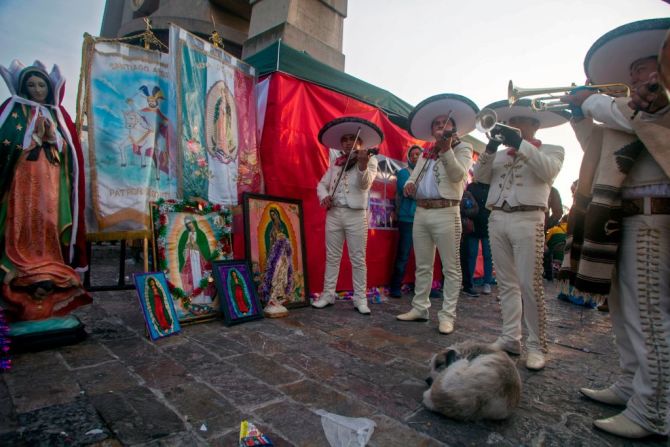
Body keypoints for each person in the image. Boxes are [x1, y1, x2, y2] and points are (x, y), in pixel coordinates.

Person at [561, 18, 670, 439]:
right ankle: (631, 384)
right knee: (624, 312)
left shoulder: (657, 102)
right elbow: (599, 151)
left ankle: (654, 410)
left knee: (650, 316)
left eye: (643, 67)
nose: (635, 78)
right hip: (627, 216)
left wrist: (590, 100)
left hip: (652, 217)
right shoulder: (632, 111)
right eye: (633, 72)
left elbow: (628, 116)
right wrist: (579, 113)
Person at [473, 98, 568, 370]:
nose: (512, 125)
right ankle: (510, 337)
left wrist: (519, 143)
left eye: (518, 121)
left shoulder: (553, 149)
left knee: (530, 284)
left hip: (529, 217)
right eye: (510, 121)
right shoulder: (500, 154)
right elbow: (480, 177)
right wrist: (491, 147)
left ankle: (537, 346)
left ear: (535, 124)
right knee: (506, 283)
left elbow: (548, 171)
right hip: (498, 216)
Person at [0, 61, 89, 321]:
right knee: (22, 220)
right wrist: (31, 140)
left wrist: (52, 137)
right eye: (32, 85)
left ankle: (50, 260)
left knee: (47, 221)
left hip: (52, 182)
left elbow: (70, 152)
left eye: (41, 85)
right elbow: (6, 144)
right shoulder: (13, 111)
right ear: (23, 87)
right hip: (22, 181)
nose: (37, 90)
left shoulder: (58, 115)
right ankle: (18, 265)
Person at [396, 94, 478, 335]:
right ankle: (420, 308)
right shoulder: (425, 152)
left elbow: (458, 176)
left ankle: (447, 315)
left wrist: (446, 151)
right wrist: (408, 185)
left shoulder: (463, 148)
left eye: (445, 123)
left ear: (453, 127)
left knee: (451, 268)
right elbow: (413, 176)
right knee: (422, 265)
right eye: (437, 124)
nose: (441, 127)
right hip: (422, 210)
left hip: (447, 210)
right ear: (432, 130)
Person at [312, 116, 381, 315]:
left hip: (355, 215)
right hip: (334, 213)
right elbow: (322, 185)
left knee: (358, 258)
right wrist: (324, 196)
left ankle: (360, 298)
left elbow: (365, 184)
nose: (349, 142)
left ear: (360, 142)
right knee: (332, 256)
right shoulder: (337, 162)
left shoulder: (370, 159)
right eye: (345, 139)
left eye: (353, 138)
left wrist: (362, 165)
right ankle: (328, 294)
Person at [388, 145, 422, 298]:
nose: (415, 156)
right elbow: (408, 191)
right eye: (412, 154)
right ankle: (395, 286)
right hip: (407, 219)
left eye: (418, 154)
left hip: (425, 218)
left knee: (424, 256)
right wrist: (428, 193)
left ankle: (422, 288)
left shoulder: (428, 173)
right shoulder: (403, 173)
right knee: (403, 254)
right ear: (409, 157)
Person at [465, 180, 495, 295]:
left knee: (488, 255)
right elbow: (467, 202)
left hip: (488, 224)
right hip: (474, 224)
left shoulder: (492, 185)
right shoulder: (472, 186)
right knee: (472, 254)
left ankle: (487, 281)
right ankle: (470, 281)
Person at [178, 215, 214, 305]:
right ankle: (193, 299)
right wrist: (187, 248)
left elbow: (205, 248)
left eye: (190, 222)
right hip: (190, 259)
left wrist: (196, 246)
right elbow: (181, 247)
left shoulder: (201, 233)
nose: (189, 225)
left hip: (199, 259)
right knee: (192, 277)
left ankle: (203, 298)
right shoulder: (185, 234)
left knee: (201, 276)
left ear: (194, 222)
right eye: (187, 224)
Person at [459, 188, 480, 297]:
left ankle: (467, 285)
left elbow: (475, 209)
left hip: (464, 231)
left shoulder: (467, 194)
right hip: (449, 228)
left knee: (464, 258)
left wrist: (463, 212)